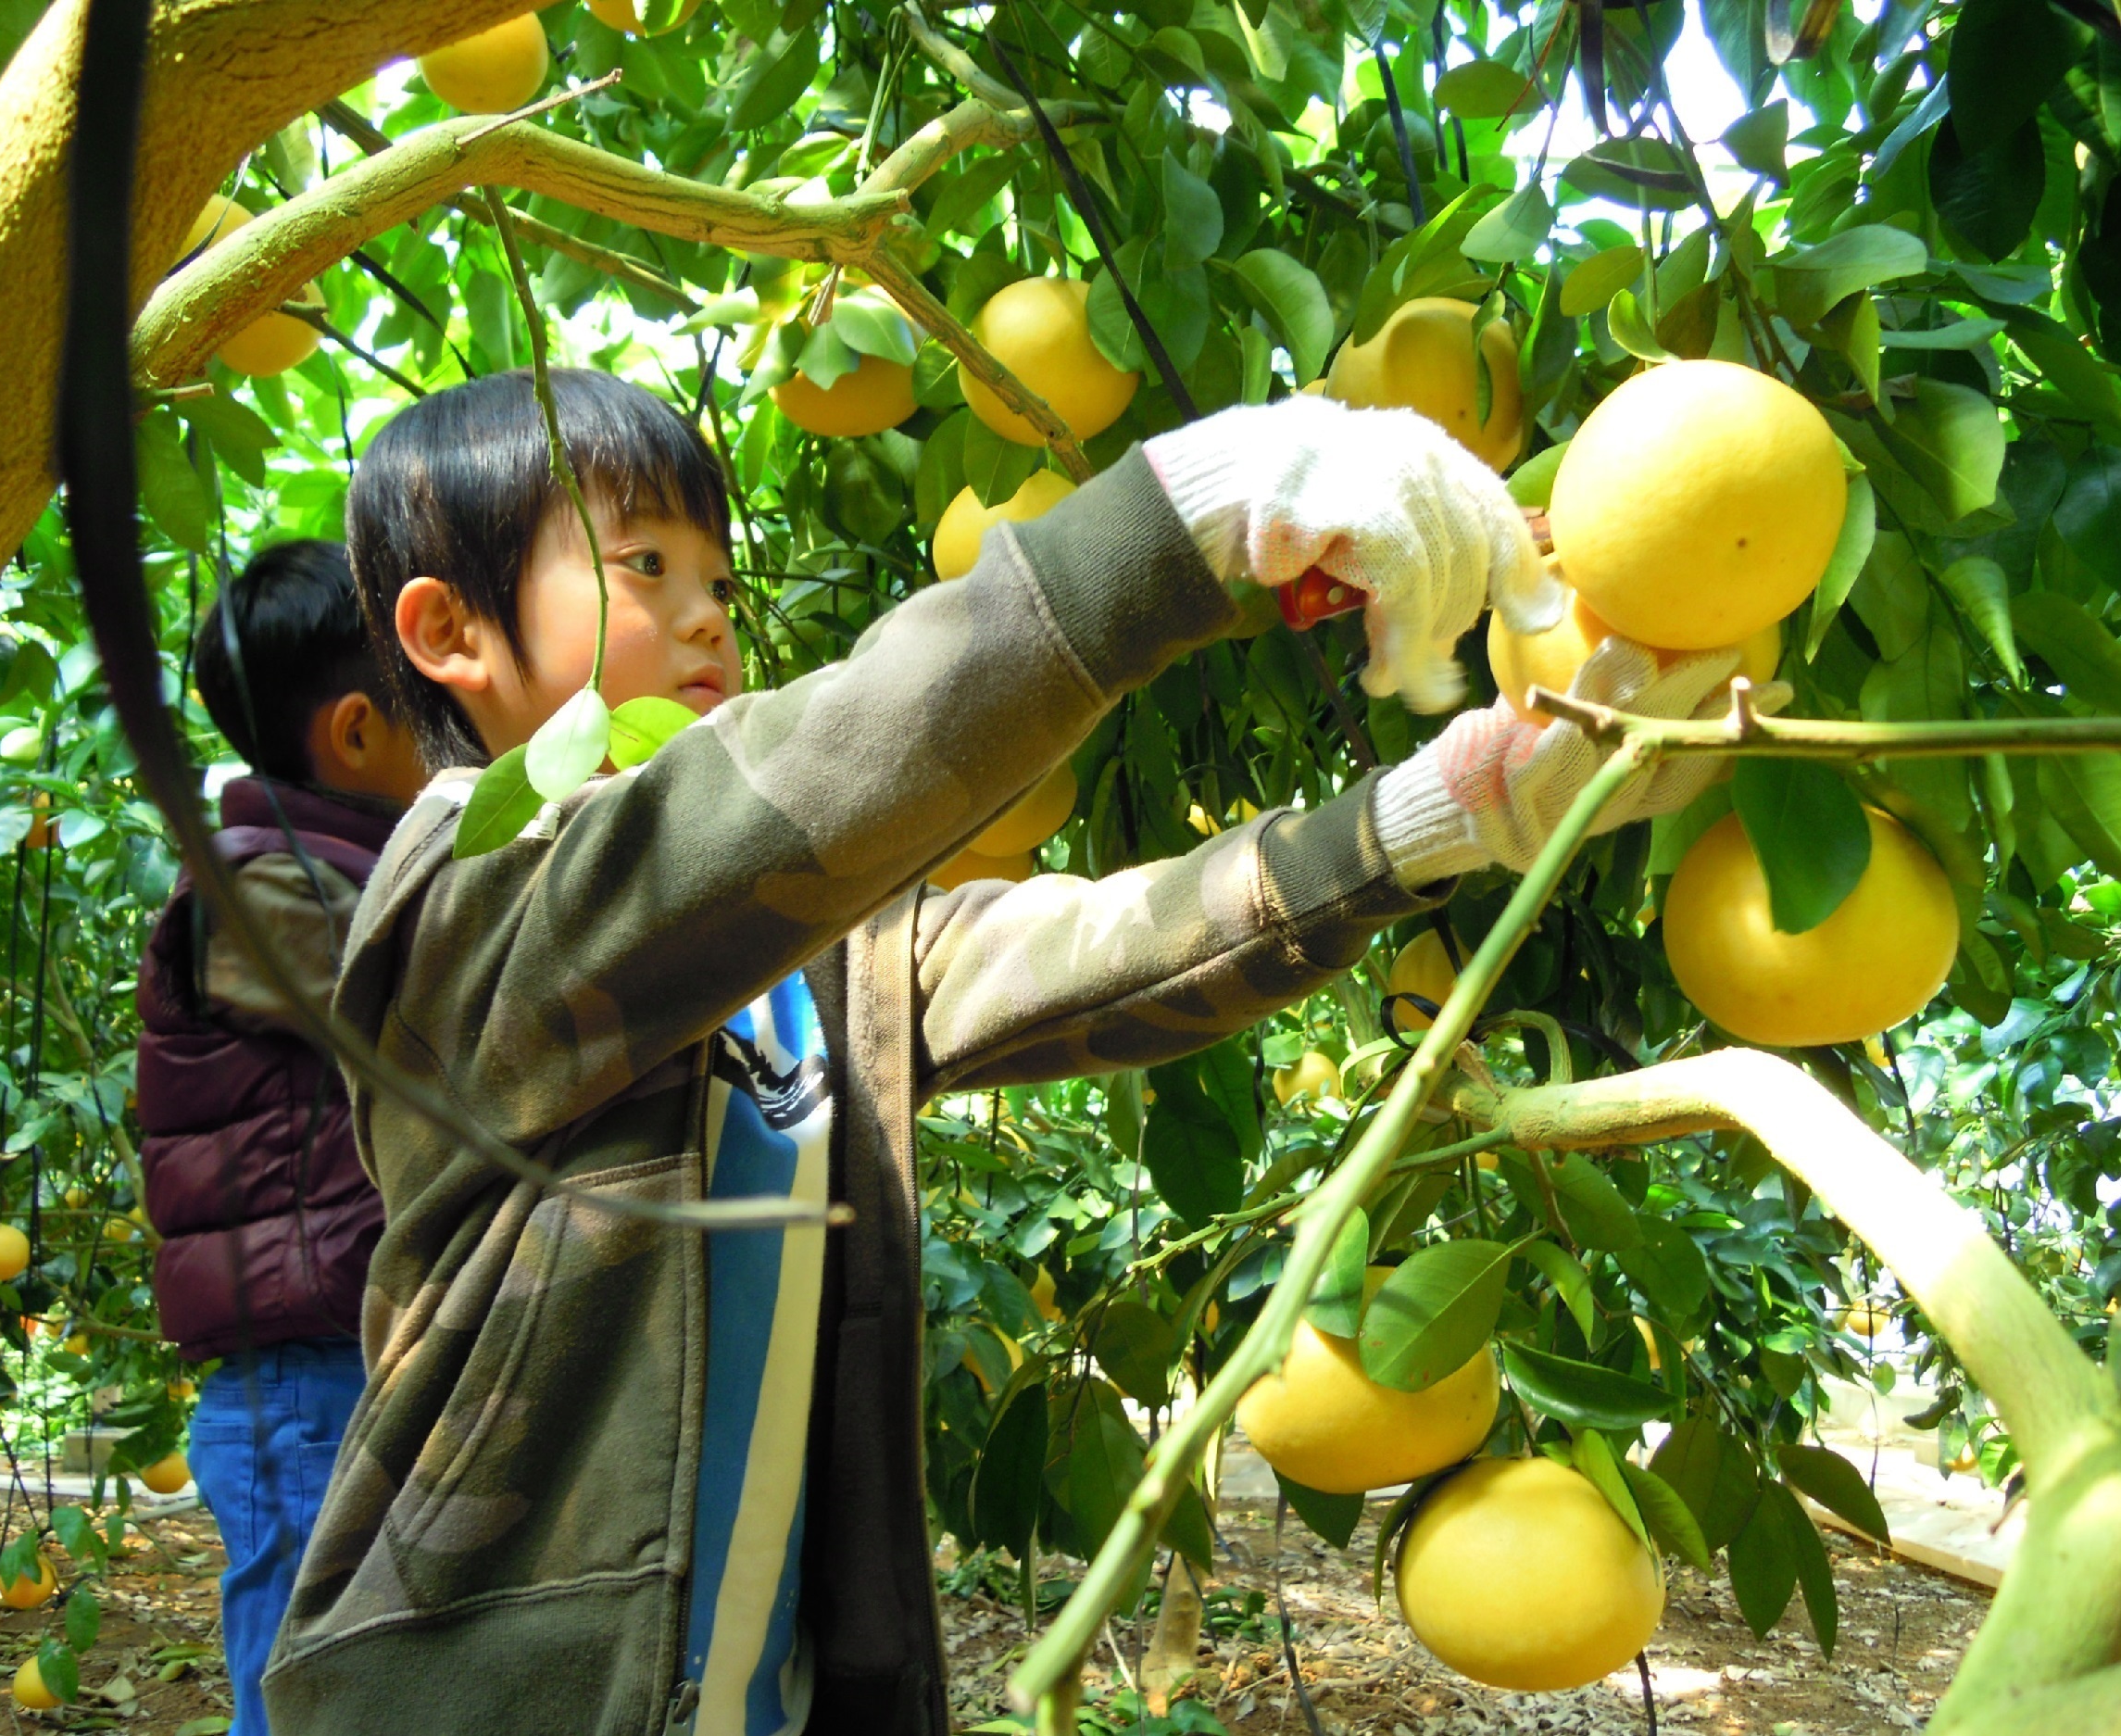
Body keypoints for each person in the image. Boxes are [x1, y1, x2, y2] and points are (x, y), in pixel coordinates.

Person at [263, 371, 1752, 1736]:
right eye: (644, 564)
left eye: (718, 576)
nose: (709, 614)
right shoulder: (463, 907)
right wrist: (1187, 518)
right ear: (451, 635)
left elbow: (1102, 946)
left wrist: (1440, 814)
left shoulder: (804, 963)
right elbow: (799, 788)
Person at [133, 538, 430, 1736]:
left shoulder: (336, 868)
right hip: (304, 1375)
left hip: (349, 1356)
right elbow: (439, 1014)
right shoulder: (258, 889)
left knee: (379, 1679)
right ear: (357, 731)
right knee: (314, 1690)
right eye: (440, 702)